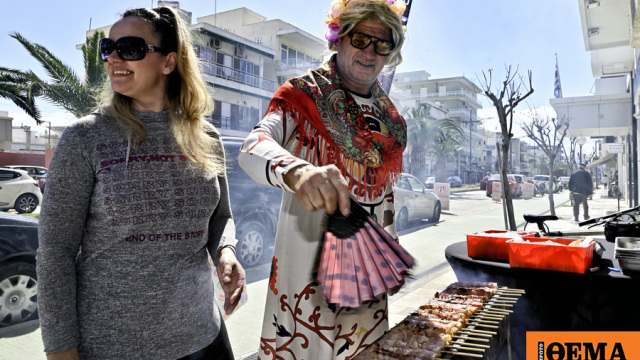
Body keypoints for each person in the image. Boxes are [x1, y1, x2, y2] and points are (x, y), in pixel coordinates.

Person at [36, 6, 245, 360]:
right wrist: (60, 350)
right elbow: (55, 254)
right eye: (108, 48)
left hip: (204, 338)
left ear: (168, 62)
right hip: (114, 348)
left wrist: (226, 252)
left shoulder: (205, 135)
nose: (113, 58)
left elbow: (220, 216)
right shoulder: (85, 137)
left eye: (130, 48)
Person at [238, 0, 407, 358]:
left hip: (367, 285)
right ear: (338, 38)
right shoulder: (301, 94)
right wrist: (298, 171)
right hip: (305, 283)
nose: (370, 52)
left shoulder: (390, 118)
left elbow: (385, 197)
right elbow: (252, 146)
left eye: (383, 43)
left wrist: (390, 257)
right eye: (361, 38)